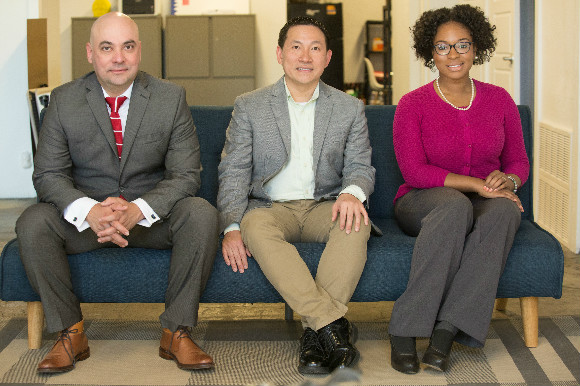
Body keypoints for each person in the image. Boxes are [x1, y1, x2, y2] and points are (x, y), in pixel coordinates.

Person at [16, 12, 219, 374]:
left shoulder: (170, 98)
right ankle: (70, 333)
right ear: (90, 53)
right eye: (107, 48)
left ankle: (176, 331)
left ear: (139, 50)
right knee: (33, 221)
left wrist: (138, 209)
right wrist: (90, 211)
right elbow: (48, 175)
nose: (119, 58)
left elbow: (187, 175)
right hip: (86, 223)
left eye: (127, 47)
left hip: (148, 220)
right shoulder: (63, 101)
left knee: (201, 212)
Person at [217, 16, 377, 374]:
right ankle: (332, 328)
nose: (305, 56)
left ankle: (313, 336)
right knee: (254, 229)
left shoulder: (349, 107)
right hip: (271, 208)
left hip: (326, 205)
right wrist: (230, 224)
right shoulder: (250, 105)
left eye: (315, 48)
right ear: (280, 54)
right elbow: (233, 170)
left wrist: (352, 193)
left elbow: (361, 166)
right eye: (296, 46)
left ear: (327, 57)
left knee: (356, 222)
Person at [388, 4, 530, 374]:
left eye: (462, 44)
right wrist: (479, 185)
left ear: (476, 47)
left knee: (503, 210)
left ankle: (446, 331)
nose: (453, 54)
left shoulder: (499, 100)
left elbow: (518, 162)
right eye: (442, 46)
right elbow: (415, 171)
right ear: (429, 52)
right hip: (422, 202)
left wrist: (509, 181)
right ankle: (404, 329)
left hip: (482, 199)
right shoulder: (412, 104)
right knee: (455, 207)